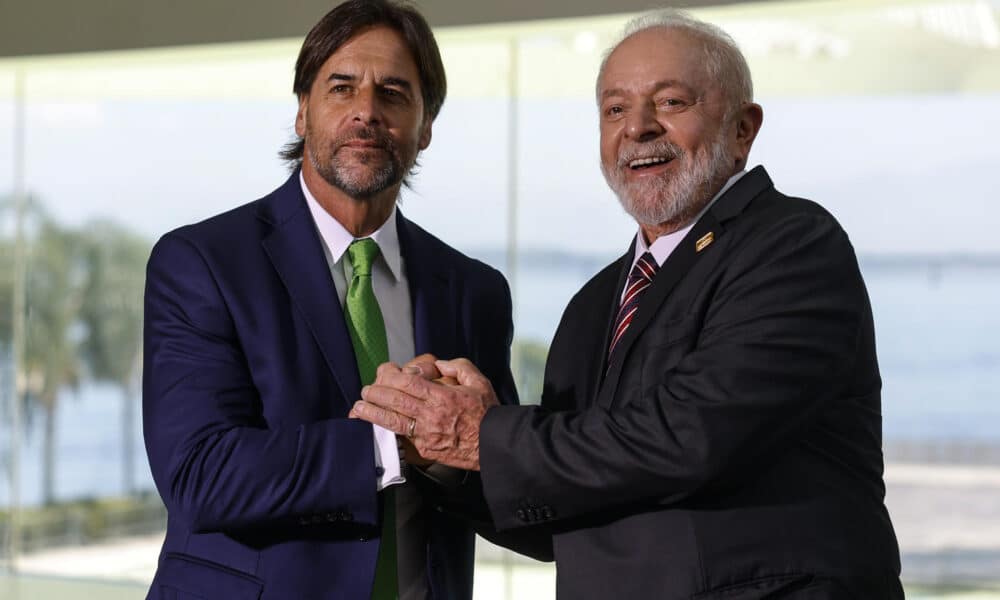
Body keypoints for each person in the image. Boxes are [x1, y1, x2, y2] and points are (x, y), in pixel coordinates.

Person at [353, 9, 904, 599]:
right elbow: (560, 504)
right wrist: (442, 453)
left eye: (670, 102)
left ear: (743, 129)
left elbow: (691, 434)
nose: (638, 128)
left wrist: (481, 434)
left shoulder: (793, 245)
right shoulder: (594, 304)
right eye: (615, 109)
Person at [141, 1, 516, 599]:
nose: (366, 111)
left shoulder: (474, 290)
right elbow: (200, 476)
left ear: (424, 130)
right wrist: (392, 442)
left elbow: (502, 501)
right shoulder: (203, 263)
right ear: (302, 112)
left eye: (394, 93)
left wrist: (470, 444)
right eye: (342, 88)